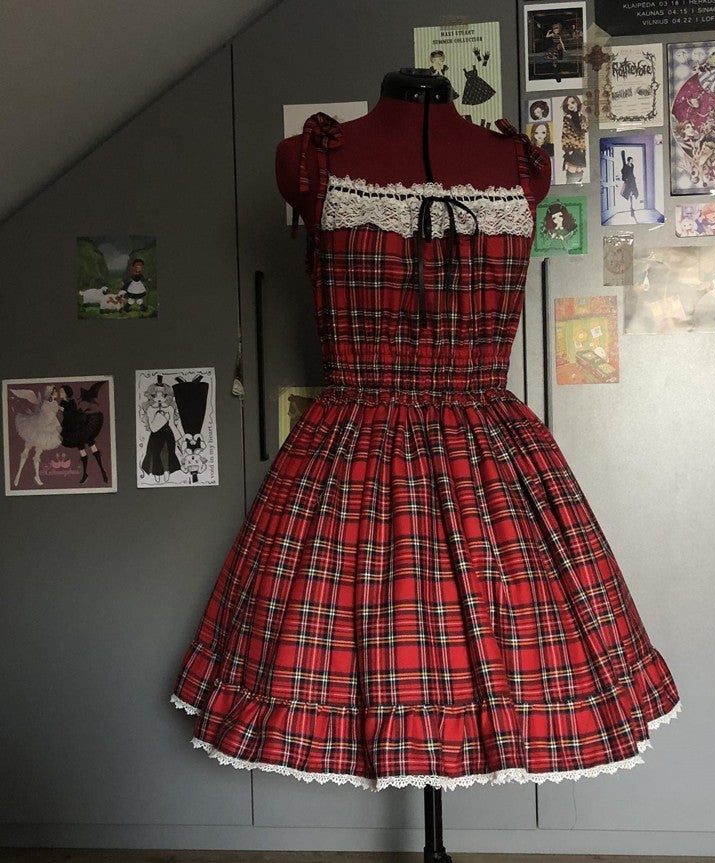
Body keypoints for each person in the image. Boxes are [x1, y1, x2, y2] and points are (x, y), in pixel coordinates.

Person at [171, 69, 679, 791]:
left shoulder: (519, 164)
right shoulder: (309, 160)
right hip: (354, 453)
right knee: (348, 642)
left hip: (485, 455)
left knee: (508, 639)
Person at [560, 94, 587, 183]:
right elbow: (565, 134)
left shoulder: (582, 117)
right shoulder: (567, 118)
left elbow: (585, 129)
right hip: (572, 148)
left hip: (581, 148)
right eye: (568, 104)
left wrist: (583, 117)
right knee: (572, 170)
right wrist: (568, 149)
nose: (570, 105)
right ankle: (569, 189)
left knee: (579, 170)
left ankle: (578, 189)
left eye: (572, 102)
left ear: (577, 103)